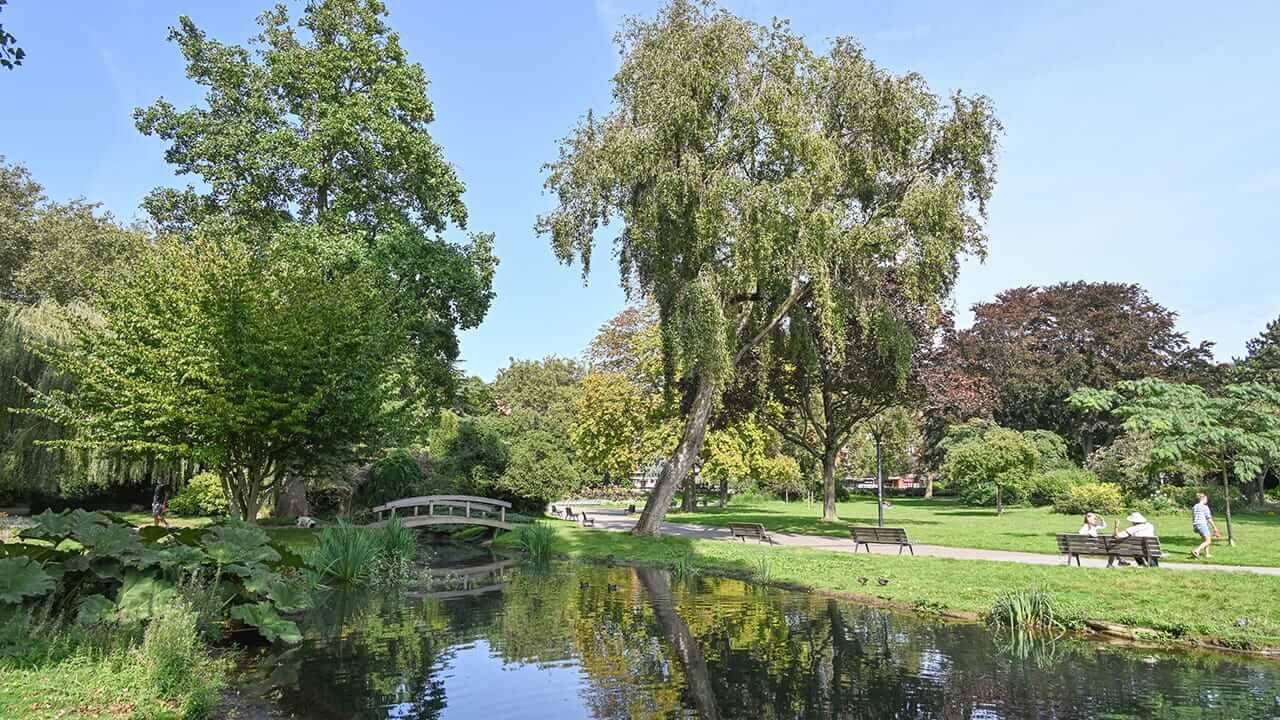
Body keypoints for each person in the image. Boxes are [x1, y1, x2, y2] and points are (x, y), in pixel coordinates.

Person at [1190, 493, 1221, 559]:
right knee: (1208, 541)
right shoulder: (1205, 507)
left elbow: (1193, 517)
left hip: (1196, 524)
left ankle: (1207, 554)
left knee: (1206, 539)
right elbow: (1209, 518)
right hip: (1202, 524)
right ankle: (1196, 551)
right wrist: (1214, 528)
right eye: (1206, 499)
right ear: (1203, 499)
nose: (1207, 500)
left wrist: (1194, 526)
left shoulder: (1194, 507)